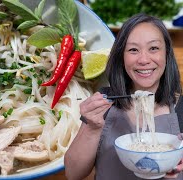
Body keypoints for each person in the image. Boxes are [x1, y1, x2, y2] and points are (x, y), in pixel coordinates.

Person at [64, 13, 183, 180]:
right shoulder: (105, 101)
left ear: (167, 54)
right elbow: (73, 174)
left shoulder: (181, 108)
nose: (143, 59)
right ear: (121, 57)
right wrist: (92, 128)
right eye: (133, 50)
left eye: (154, 48)